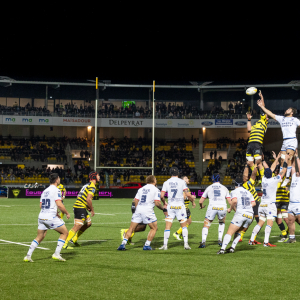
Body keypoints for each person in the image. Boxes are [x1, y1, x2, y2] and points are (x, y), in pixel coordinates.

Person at [24, 173, 70, 262]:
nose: (60, 179)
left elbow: (41, 205)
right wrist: (67, 213)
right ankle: (56, 254)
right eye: (59, 178)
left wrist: (54, 211)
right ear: (56, 180)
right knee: (64, 233)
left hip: (41, 217)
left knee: (40, 236)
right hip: (50, 217)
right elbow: (59, 204)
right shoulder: (56, 190)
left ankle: (28, 256)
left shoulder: (45, 191)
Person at [117, 175, 166, 250]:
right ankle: (147, 245)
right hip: (148, 211)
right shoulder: (156, 190)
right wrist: (163, 209)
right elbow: (157, 203)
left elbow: (136, 200)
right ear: (154, 181)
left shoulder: (141, 189)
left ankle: (122, 244)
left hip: (138, 210)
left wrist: (138, 210)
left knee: (131, 229)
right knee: (154, 228)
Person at [258, 99, 300, 186]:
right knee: (282, 159)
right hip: (285, 141)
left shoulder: (295, 120)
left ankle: (287, 178)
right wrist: (262, 106)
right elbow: (270, 113)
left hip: (292, 140)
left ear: (292, 112)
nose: (286, 110)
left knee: (288, 158)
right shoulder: (282, 118)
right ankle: (281, 177)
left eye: (288, 110)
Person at [249, 155, 288, 247]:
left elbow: (271, 168)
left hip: (262, 205)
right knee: (269, 223)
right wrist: (285, 160)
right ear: (271, 174)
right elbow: (283, 171)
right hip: (270, 205)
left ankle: (251, 240)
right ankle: (266, 242)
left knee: (260, 223)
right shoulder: (274, 180)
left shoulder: (264, 179)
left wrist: (277, 157)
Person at [217, 176, 255, 254]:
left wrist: (230, 209)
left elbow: (234, 201)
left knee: (230, 232)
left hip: (241, 213)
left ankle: (222, 249)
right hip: (250, 215)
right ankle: (232, 248)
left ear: (235, 184)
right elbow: (253, 203)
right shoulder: (248, 192)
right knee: (238, 232)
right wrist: (247, 208)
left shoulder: (235, 191)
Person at [159, 166, 194, 250]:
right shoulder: (182, 182)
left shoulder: (166, 182)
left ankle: (165, 245)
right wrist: (192, 200)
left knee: (167, 226)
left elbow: (162, 196)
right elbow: (188, 194)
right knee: (184, 226)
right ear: (178, 173)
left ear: (170, 173)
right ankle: (186, 244)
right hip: (180, 206)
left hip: (171, 206)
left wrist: (164, 203)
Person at [63, 171, 100, 249]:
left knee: (88, 223)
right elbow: (88, 199)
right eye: (98, 175)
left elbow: (78, 196)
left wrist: (86, 207)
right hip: (80, 207)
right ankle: (64, 242)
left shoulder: (86, 185)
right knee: (77, 226)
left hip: (80, 206)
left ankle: (74, 239)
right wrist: (92, 210)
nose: (99, 176)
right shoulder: (92, 186)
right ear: (94, 177)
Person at [199, 173, 231, 248]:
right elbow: (230, 201)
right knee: (221, 223)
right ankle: (220, 240)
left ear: (212, 179)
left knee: (206, 225)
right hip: (222, 207)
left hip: (212, 207)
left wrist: (202, 206)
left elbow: (200, 201)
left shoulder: (209, 187)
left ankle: (203, 241)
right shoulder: (224, 188)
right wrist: (230, 208)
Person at [246, 91, 268, 178]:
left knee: (258, 162)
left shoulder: (264, 121)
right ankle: (258, 176)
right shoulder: (255, 124)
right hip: (250, 143)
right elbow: (249, 129)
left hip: (257, 143)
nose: (266, 115)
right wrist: (248, 120)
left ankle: (263, 179)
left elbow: (263, 107)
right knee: (249, 162)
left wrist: (261, 97)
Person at [173, 176, 196, 240]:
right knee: (188, 222)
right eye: (186, 178)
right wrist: (191, 197)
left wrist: (191, 197)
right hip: (184, 208)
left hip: (184, 207)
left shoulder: (183, 187)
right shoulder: (184, 188)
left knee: (187, 222)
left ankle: (181, 234)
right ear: (182, 180)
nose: (188, 179)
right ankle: (177, 233)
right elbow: (183, 198)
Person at [284, 154, 300, 243]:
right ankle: (292, 238)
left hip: (298, 203)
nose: (297, 171)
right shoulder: (294, 177)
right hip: (291, 204)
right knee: (290, 221)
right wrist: (293, 156)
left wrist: (297, 156)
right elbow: (293, 166)